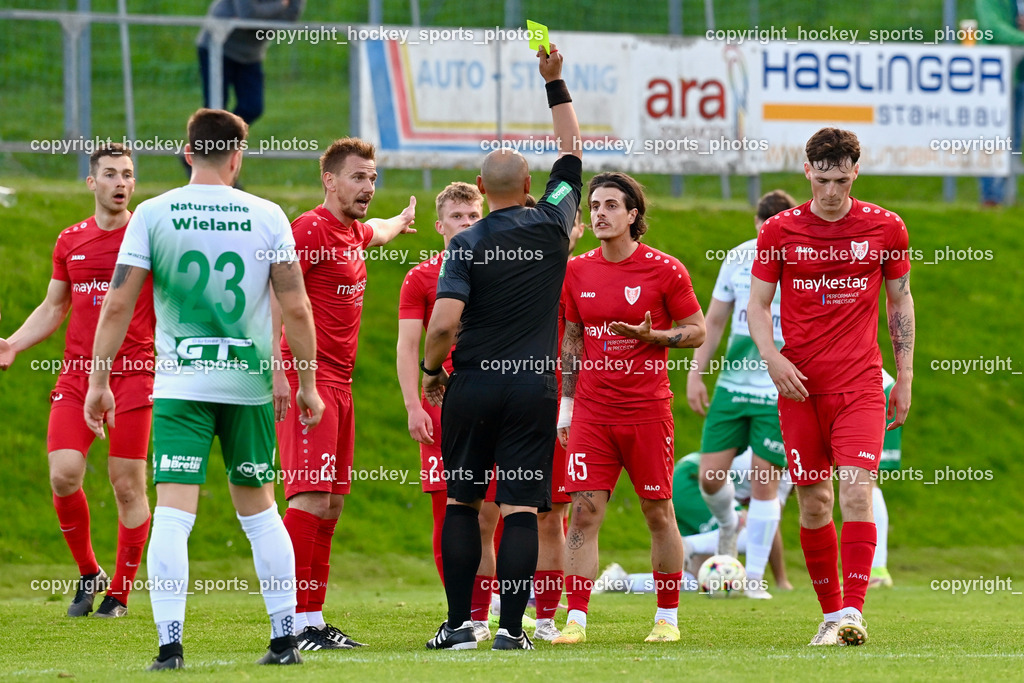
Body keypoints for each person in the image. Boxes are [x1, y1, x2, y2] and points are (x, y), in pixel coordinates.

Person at [84, 108, 324, 669]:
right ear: (238, 158)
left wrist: (98, 381)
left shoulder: (152, 212)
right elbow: (296, 307)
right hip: (248, 382)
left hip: (181, 383)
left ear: (188, 152)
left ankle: (170, 647)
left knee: (172, 515)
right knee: (262, 511)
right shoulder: (267, 215)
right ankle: (285, 639)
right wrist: (307, 383)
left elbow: (118, 303)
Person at [419, 44, 582, 652]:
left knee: (462, 500)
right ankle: (513, 632)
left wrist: (432, 370)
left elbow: (441, 324)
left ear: (482, 190)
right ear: (530, 186)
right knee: (519, 508)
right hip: (534, 389)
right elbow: (571, 152)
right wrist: (555, 82)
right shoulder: (555, 224)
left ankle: (461, 625)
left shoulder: (467, 243)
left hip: (476, 385)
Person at [748, 127, 915, 646]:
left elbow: (900, 301)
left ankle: (853, 614)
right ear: (807, 173)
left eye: (841, 180)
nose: (831, 192)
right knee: (814, 502)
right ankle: (829, 615)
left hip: (861, 386)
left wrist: (904, 375)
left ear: (855, 173)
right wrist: (771, 358)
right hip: (799, 389)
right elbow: (756, 305)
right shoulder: (778, 231)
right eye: (822, 180)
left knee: (857, 492)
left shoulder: (886, 228)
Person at [0, 143, 153, 618]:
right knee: (64, 474)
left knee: (127, 485)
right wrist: (13, 343)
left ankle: (121, 594)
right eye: (110, 174)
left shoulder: (149, 238)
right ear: (92, 183)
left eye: (128, 174)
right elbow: (53, 306)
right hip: (78, 374)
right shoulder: (71, 240)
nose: (121, 183)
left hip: (134, 373)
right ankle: (90, 573)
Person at [554, 171, 706, 645]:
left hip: (646, 410)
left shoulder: (665, 270)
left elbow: (697, 329)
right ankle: (575, 620)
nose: (599, 213)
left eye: (610, 206)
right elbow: (573, 340)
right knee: (582, 513)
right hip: (593, 415)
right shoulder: (576, 270)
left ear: (633, 215)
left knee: (658, 513)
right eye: (594, 205)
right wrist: (566, 405)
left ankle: (667, 618)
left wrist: (655, 337)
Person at [277, 137, 416, 652]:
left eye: (373, 177)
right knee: (308, 496)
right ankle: (290, 621)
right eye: (358, 177)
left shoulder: (353, 232)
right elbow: (276, 298)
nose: (368, 186)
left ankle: (312, 619)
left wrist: (400, 222)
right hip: (306, 380)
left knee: (331, 503)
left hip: (341, 383)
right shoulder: (309, 229)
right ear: (329, 180)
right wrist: (278, 371)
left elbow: (375, 232)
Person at [687, 189, 796, 599]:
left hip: (779, 385)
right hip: (733, 384)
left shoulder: (805, 258)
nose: (770, 234)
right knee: (710, 478)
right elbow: (713, 321)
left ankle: (753, 579)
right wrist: (696, 374)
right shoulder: (737, 257)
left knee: (765, 481)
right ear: (755, 224)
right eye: (764, 227)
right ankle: (729, 528)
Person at [196, 0, 305, 126]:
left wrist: (255, 21)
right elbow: (248, 14)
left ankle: (224, 139)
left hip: (251, 54)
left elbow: (289, 19)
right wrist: (281, 5)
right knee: (215, 110)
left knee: (252, 108)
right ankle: (212, 141)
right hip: (218, 46)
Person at [976, 0, 1024, 206]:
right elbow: (993, 29)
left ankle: (1007, 201)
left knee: (1015, 140)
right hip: (993, 80)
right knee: (992, 139)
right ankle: (992, 200)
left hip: (1018, 77)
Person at [869, 368, 903, 589]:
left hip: (876, 393)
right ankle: (875, 568)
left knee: (862, 479)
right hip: (864, 392)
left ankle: (876, 568)